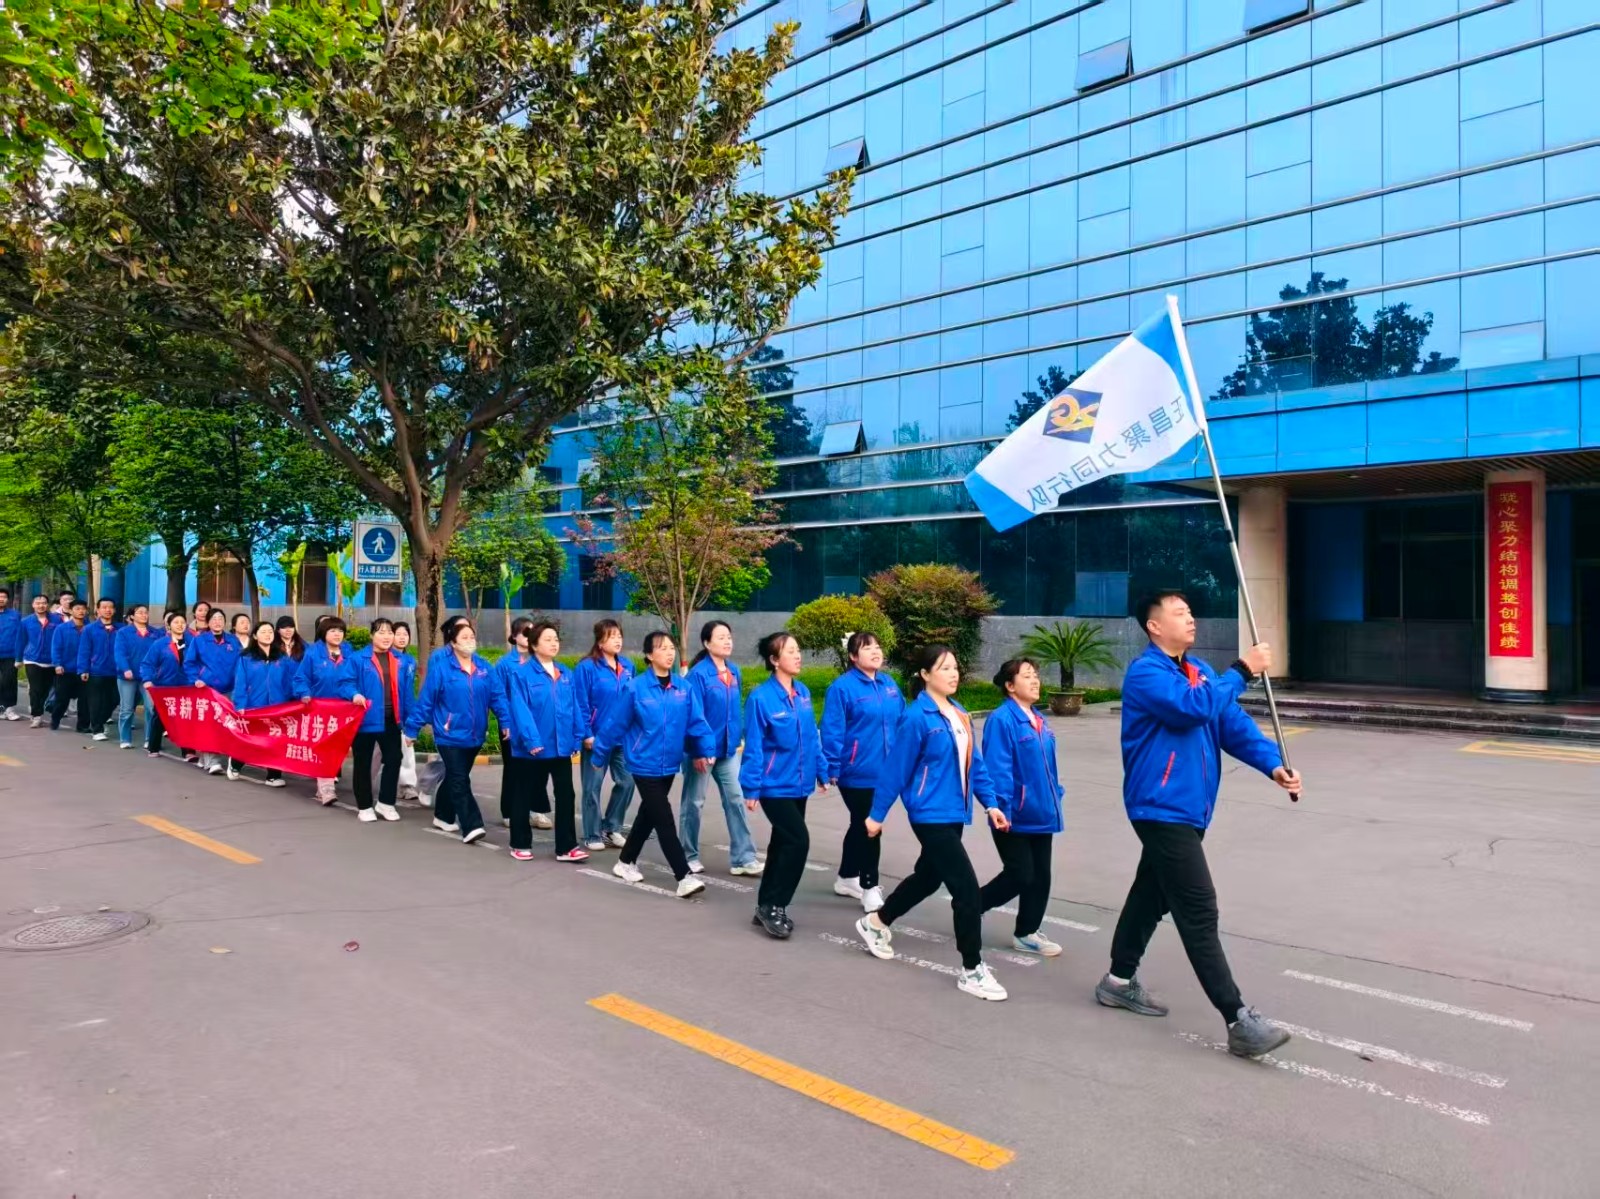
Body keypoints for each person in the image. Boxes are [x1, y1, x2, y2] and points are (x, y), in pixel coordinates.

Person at [1096, 591, 1303, 1059]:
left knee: (1151, 896)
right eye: (1179, 613)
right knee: (1198, 909)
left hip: (1189, 809)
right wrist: (1243, 670)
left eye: (1190, 612)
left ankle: (1118, 981)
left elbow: (1233, 726)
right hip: (1159, 808)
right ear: (1154, 626)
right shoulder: (1147, 673)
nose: (1190, 619)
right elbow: (1191, 709)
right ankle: (1238, 1019)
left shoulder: (1200, 672)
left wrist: (1273, 765)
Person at [854, 644, 1012, 1002]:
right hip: (929, 814)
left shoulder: (960, 713)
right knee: (966, 890)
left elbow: (976, 765)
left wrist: (991, 804)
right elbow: (895, 770)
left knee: (928, 877)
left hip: (955, 812)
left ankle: (876, 922)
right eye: (944, 668)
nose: (953, 674)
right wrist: (876, 815)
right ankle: (972, 969)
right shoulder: (917, 717)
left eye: (955, 667)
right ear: (925, 675)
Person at [592, 631, 711, 898]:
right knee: (664, 818)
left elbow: (697, 722)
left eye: (671, 648)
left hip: (669, 762)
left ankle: (625, 862)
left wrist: (705, 749)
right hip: (643, 762)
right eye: (662, 648)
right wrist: (599, 754)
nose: (669, 653)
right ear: (649, 655)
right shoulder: (635, 688)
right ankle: (683, 876)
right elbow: (615, 724)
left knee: (649, 814)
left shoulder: (684, 688)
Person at [740, 632, 828, 938]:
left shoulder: (802, 692)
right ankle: (776, 904)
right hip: (773, 785)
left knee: (781, 843)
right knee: (798, 841)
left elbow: (812, 736)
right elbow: (753, 746)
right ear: (774, 660)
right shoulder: (761, 698)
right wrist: (751, 787)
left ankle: (765, 904)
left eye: (798, 650)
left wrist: (821, 769)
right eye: (790, 651)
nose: (798, 656)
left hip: (799, 783)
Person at [977, 658, 1066, 957]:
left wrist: (1056, 796)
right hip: (1013, 813)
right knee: (1020, 874)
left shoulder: (1039, 719)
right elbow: (997, 768)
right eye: (1027, 676)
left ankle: (1027, 933)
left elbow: (1049, 767)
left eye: (1035, 675)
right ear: (1010, 685)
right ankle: (972, 906)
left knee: (1041, 876)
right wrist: (1000, 807)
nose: (1035, 680)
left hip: (1043, 812)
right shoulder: (1002, 720)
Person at [404, 616, 509, 845]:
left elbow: (498, 696)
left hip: (475, 734)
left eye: (472, 637)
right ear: (453, 642)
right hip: (449, 734)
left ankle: (443, 815)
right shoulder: (442, 668)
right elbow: (426, 700)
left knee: (454, 776)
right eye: (464, 637)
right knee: (460, 779)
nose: (470, 641)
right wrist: (412, 729)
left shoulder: (484, 667)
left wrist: (506, 721)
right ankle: (472, 825)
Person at [819, 631, 904, 913]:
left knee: (860, 823)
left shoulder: (888, 684)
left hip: (886, 770)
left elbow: (902, 721)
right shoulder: (842, 688)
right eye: (867, 648)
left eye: (877, 647)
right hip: (856, 771)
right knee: (871, 826)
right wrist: (831, 766)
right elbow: (832, 729)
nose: (875, 652)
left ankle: (846, 877)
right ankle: (869, 887)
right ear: (853, 656)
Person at [679, 620, 763, 877]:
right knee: (694, 803)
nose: (727, 641)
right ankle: (687, 856)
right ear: (707, 643)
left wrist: (738, 738)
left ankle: (743, 858)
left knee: (736, 799)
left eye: (729, 636)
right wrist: (697, 751)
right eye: (721, 637)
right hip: (702, 751)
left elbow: (734, 710)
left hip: (727, 750)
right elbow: (692, 715)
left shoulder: (734, 671)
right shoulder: (698, 675)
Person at [506, 621, 586, 862]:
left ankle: (566, 846)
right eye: (548, 639)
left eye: (556, 639)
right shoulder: (521, 673)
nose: (554, 643)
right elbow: (520, 709)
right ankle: (520, 843)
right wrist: (531, 740)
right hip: (532, 748)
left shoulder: (565, 673)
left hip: (561, 746)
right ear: (534, 645)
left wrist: (577, 736)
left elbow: (574, 706)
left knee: (566, 795)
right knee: (523, 794)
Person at [575, 619, 636, 849]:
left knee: (628, 782)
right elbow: (580, 703)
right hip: (597, 739)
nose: (618, 640)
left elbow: (632, 701)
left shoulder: (628, 666)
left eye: (619, 635)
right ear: (600, 642)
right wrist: (587, 734)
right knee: (592, 788)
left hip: (622, 738)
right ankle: (592, 834)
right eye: (612, 636)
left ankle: (612, 826)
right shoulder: (586, 668)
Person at [294, 615, 367, 804]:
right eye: (333, 630)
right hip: (321, 709)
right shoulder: (313, 653)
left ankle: (331, 782)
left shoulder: (350, 653)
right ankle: (326, 789)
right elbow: (301, 678)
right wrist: (304, 693)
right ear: (323, 633)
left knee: (339, 748)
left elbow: (358, 677)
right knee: (325, 748)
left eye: (340, 631)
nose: (337, 634)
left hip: (345, 709)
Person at [350, 618, 411, 822]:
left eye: (389, 632)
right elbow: (344, 682)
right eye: (381, 632)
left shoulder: (400, 660)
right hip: (364, 719)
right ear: (371, 635)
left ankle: (386, 803)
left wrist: (410, 722)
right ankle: (364, 806)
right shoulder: (358, 658)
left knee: (394, 758)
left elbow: (406, 692)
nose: (386, 637)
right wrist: (353, 694)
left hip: (391, 719)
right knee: (363, 763)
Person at [494, 617, 551, 832]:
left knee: (540, 768)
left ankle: (537, 810)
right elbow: (499, 695)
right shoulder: (504, 664)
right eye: (525, 632)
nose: (529, 637)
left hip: (539, 723)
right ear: (514, 636)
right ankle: (510, 811)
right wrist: (505, 721)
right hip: (513, 725)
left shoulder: (541, 661)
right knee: (514, 768)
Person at [230, 620, 295, 786]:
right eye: (263, 631)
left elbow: (289, 681)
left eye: (270, 632)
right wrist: (240, 704)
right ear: (255, 635)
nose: (268, 635)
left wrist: (294, 699)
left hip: (277, 706)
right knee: (252, 740)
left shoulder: (282, 658)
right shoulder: (246, 658)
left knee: (276, 740)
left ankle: (273, 775)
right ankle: (236, 763)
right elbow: (240, 683)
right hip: (254, 705)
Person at [184, 608, 241, 775]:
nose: (217, 622)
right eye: (214, 619)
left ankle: (205, 758)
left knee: (225, 725)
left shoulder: (233, 641)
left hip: (229, 690)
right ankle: (213, 761)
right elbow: (189, 663)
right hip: (207, 689)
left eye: (220, 618)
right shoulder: (200, 640)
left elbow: (241, 663)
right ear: (208, 622)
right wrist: (196, 679)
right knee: (210, 725)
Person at [141, 612, 192, 757]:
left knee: (185, 718)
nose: (180, 625)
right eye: (176, 622)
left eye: (182, 622)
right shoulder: (160, 644)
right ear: (168, 626)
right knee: (160, 716)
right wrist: (148, 679)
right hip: (165, 686)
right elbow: (147, 664)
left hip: (186, 686)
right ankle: (153, 747)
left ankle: (188, 751)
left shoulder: (192, 643)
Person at [113, 603, 159, 749]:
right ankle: (125, 738)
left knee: (151, 707)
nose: (144, 615)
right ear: (132, 616)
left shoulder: (155, 633)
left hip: (148, 677)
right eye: (140, 612)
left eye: (146, 612)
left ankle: (149, 739)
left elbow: (159, 653)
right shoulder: (123, 633)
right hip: (128, 676)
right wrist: (125, 668)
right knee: (127, 709)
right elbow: (119, 653)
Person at [78, 597, 121, 741]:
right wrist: (83, 669)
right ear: (98, 610)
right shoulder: (89, 629)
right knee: (95, 701)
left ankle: (100, 721)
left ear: (114, 610)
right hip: (96, 671)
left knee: (114, 699)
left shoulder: (121, 629)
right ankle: (97, 730)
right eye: (104, 607)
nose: (108, 610)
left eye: (110, 607)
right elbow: (84, 650)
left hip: (116, 671)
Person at [391, 621, 422, 804]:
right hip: (387, 713)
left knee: (407, 751)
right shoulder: (386, 658)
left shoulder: (410, 660)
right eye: (398, 634)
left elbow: (409, 690)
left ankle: (407, 786)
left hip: (405, 713)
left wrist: (412, 714)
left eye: (405, 634)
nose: (402, 638)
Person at [49, 600, 91, 733]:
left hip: (85, 670)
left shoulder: (90, 628)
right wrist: (57, 664)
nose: (81, 611)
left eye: (83, 609)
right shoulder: (62, 628)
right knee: (62, 699)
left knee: (85, 700)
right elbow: (56, 648)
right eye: (77, 609)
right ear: (71, 611)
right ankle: (55, 720)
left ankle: (83, 725)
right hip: (66, 669)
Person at [20, 594, 56, 727]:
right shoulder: (26, 621)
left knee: (46, 689)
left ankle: (38, 709)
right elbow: (21, 640)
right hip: (32, 659)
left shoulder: (57, 620)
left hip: (51, 660)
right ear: (33, 605)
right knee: (35, 688)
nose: (41, 605)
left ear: (48, 605)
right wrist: (18, 658)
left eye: (44, 603)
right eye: (38, 603)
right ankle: (36, 715)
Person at [0, 587, 21, 721]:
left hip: (10, 654)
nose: (1, 599)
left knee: (10, 681)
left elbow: (20, 635)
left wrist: (20, 655)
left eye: (3, 597)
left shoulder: (15, 615)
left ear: (8, 599)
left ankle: (9, 708)